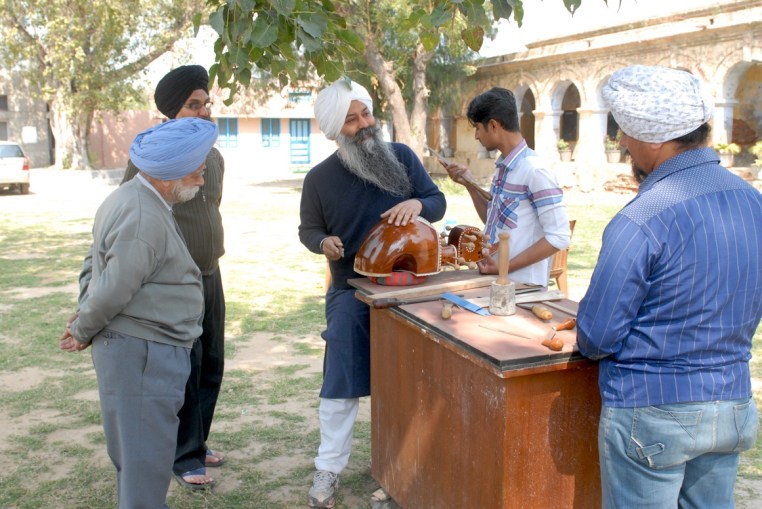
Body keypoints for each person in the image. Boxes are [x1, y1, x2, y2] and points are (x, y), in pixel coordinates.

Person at [576, 65, 762, 508]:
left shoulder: (641, 218)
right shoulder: (753, 203)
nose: (622, 141)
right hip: (730, 400)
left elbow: (597, 337)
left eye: (626, 131)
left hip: (652, 409)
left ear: (654, 137)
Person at [298, 78, 446, 508]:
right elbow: (309, 230)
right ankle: (328, 467)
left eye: (365, 113)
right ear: (334, 130)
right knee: (340, 379)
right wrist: (322, 242)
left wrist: (418, 205)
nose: (364, 124)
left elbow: (436, 200)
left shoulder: (401, 156)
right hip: (351, 291)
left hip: (412, 289)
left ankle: (408, 467)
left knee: (413, 379)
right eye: (351, 120)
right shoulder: (319, 179)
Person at [59, 117, 219, 509]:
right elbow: (113, 286)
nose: (202, 181)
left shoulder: (131, 197)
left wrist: (84, 314)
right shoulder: (143, 216)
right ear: (168, 173)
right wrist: (82, 328)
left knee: (138, 462)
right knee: (144, 466)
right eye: (196, 172)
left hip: (141, 351)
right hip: (143, 355)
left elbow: (93, 264)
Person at [121, 64, 226, 490]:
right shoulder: (150, 155)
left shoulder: (213, 156)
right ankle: (183, 458)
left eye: (206, 103)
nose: (204, 111)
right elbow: (132, 208)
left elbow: (210, 207)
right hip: (173, 281)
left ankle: (197, 442)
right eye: (193, 105)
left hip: (211, 271)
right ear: (172, 111)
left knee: (212, 363)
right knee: (185, 367)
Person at [443, 87, 570, 287]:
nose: (476, 136)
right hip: (497, 282)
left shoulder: (535, 170)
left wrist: (505, 267)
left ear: (493, 125)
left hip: (523, 288)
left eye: (478, 128)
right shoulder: (504, 167)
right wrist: (469, 185)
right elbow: (494, 221)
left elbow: (559, 237)